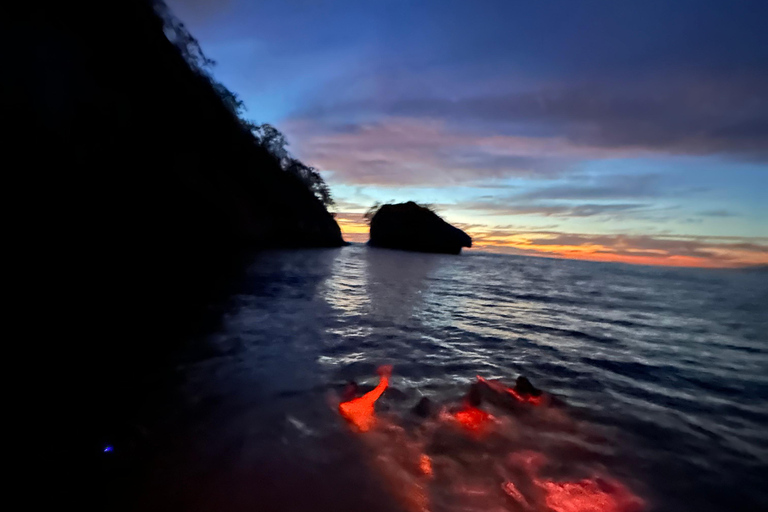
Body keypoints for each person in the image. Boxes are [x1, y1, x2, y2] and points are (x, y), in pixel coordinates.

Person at [338, 364, 393, 432]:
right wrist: (384, 374)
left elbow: (347, 422)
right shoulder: (367, 399)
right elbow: (383, 386)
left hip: (363, 432)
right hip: (373, 426)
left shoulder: (343, 407)